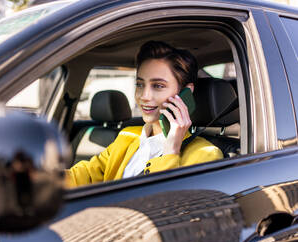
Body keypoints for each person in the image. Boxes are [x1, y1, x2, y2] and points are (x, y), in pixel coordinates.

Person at [65, 41, 223, 188]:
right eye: (140, 84)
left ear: (186, 93)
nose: (144, 96)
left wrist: (171, 150)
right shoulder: (127, 136)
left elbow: (165, 209)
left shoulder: (205, 155)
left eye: (158, 86)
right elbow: (84, 175)